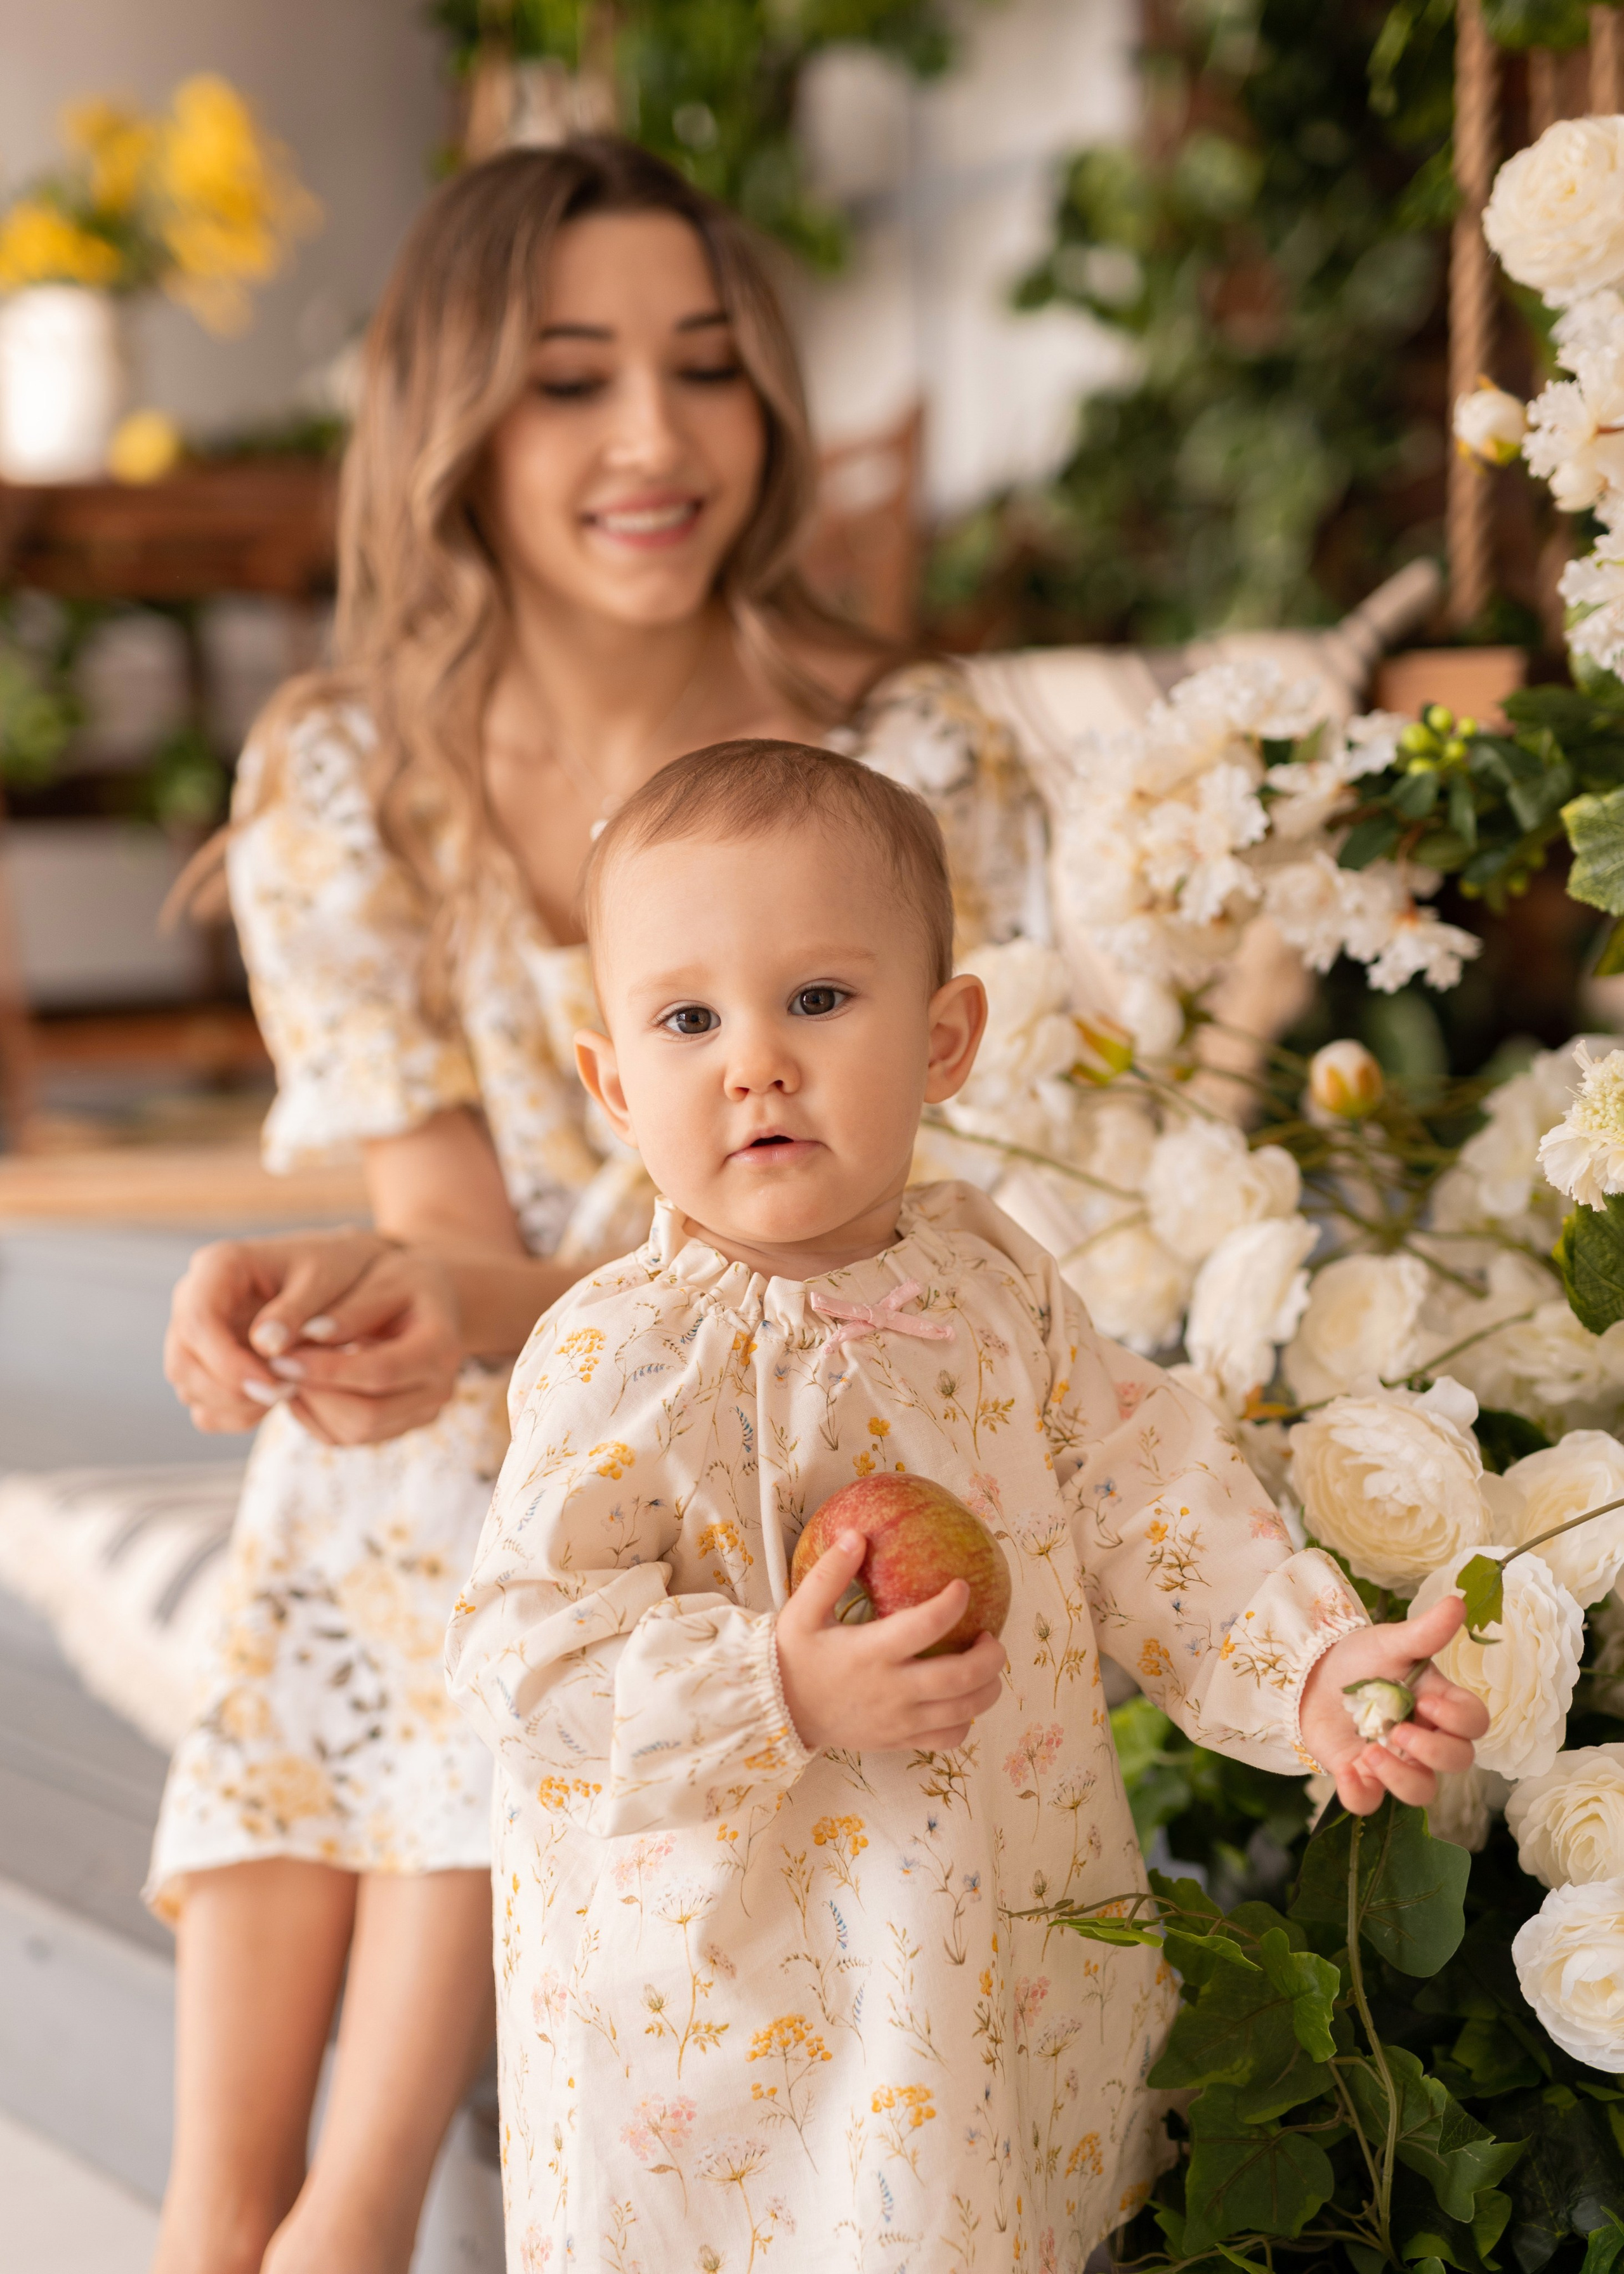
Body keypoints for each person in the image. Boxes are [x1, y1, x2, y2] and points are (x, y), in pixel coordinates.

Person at [151, 138, 1044, 2274]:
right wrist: (352, 1296)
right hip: (544, 1383)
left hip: (830, 1398)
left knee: (533, 1452)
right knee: (402, 1434)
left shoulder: (904, 759)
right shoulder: (353, 772)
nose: (654, 439)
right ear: (459, 420)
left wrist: (477, 1329)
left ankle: (324, 2224)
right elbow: (465, 1259)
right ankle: (236, 2219)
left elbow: (904, 1227)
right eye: (570, 379)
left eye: (705, 367)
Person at [445, 737, 1489, 2271]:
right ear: (610, 1080)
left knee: (1004, 2210)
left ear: (945, 1039)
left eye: (816, 997)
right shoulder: (620, 1355)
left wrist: (1309, 1667)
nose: (756, 1062)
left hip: (992, 1932)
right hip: (738, 2005)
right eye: (687, 1018)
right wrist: (771, 1684)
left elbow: (1145, 1490)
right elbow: (517, 1659)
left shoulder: (987, 1277)